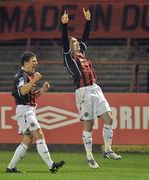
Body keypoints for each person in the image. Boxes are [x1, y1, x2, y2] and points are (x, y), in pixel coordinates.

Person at [61, 9, 121, 169]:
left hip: (95, 89)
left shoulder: (82, 54)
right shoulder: (68, 57)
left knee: (109, 118)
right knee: (88, 125)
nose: (77, 43)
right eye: (73, 42)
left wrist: (88, 21)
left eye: (76, 42)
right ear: (70, 46)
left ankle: (107, 150)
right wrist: (64, 26)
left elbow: (86, 37)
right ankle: (89, 157)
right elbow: (66, 43)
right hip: (83, 92)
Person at [6, 51, 65, 173]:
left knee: (27, 140)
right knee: (39, 133)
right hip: (25, 111)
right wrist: (34, 80)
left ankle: (11, 167)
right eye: (33, 61)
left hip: (27, 110)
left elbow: (29, 96)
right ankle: (51, 165)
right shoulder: (22, 76)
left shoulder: (27, 76)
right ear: (26, 63)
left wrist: (42, 90)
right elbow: (22, 91)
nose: (36, 63)